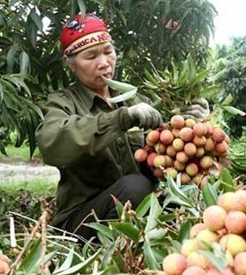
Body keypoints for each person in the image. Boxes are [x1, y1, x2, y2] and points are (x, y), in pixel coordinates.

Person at [36, 13, 209, 240]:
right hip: (82, 221)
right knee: (135, 186)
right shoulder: (63, 102)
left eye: (108, 52)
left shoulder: (135, 100)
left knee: (183, 197)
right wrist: (120, 119)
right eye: (90, 57)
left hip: (134, 207)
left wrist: (190, 125)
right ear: (71, 65)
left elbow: (161, 157)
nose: (104, 63)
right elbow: (52, 144)